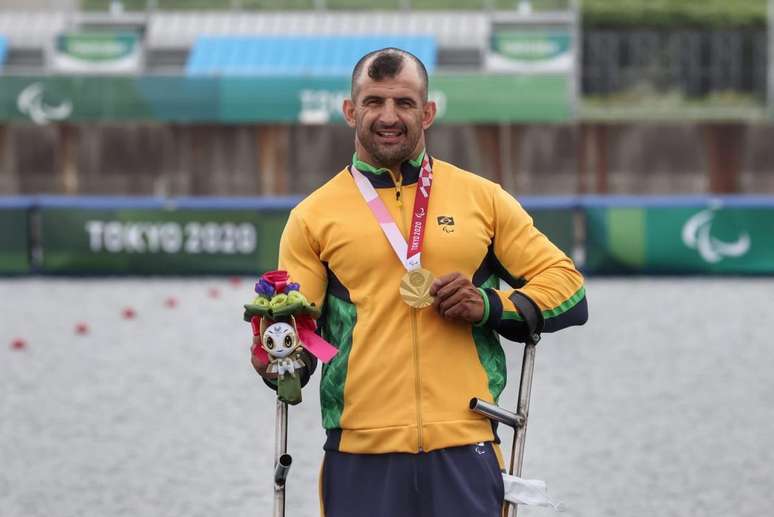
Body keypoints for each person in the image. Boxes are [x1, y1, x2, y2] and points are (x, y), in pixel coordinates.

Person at [252, 47, 588, 517]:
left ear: (427, 112)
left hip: (466, 442)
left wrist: (490, 305)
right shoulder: (312, 217)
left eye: (404, 103)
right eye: (374, 102)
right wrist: (280, 358)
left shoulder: (482, 198)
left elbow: (568, 287)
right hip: (360, 449)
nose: (388, 116)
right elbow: (303, 332)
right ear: (351, 111)